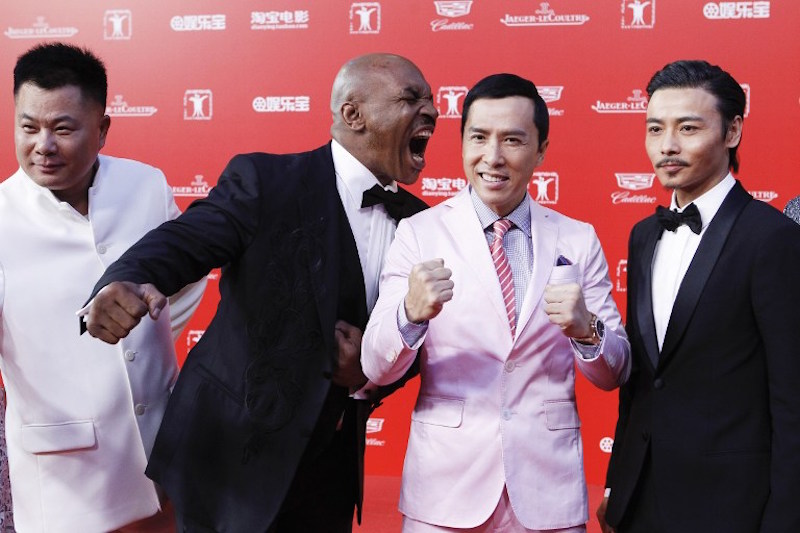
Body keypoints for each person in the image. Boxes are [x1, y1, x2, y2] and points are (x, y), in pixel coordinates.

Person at [83, 53, 438, 531]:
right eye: (411, 98)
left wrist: (370, 375)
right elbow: (187, 240)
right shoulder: (266, 181)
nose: (432, 112)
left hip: (328, 472)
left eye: (431, 101)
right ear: (353, 114)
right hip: (228, 459)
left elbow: (421, 339)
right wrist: (123, 279)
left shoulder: (422, 224)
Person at [361, 73, 631, 532]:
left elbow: (615, 371)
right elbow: (375, 366)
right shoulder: (420, 233)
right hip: (445, 491)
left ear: (541, 150)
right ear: (462, 141)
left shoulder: (578, 238)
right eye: (479, 137)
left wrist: (587, 330)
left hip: (548, 491)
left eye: (513, 140)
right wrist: (409, 314)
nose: (493, 157)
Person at [0, 43, 206, 532]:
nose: (43, 145)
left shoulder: (145, 185)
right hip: (67, 479)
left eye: (63, 128)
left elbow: (186, 277)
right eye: (28, 127)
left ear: (103, 129)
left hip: (166, 456)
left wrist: (144, 326)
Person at [598, 60, 800, 533]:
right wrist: (616, 485)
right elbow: (642, 382)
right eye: (655, 129)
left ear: (732, 131)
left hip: (732, 508)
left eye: (688, 128)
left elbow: (792, 399)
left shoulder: (772, 239)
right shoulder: (643, 235)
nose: (667, 146)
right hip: (640, 501)